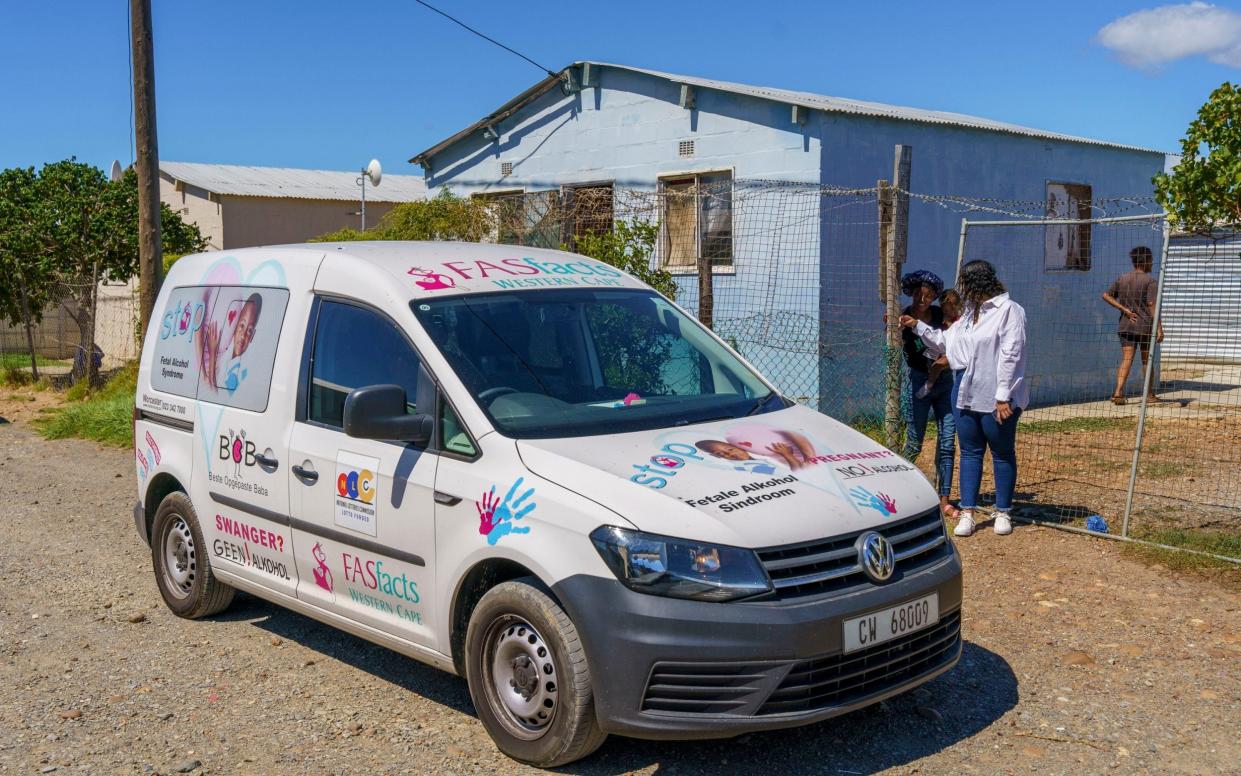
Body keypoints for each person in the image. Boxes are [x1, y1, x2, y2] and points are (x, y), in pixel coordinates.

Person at [901, 260, 1027, 537]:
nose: (963, 290)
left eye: (965, 284)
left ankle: (1003, 511)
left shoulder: (1009, 311)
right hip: (965, 393)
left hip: (997, 397)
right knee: (970, 453)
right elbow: (946, 342)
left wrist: (1003, 396)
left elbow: (1011, 354)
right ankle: (968, 512)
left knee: (1002, 452)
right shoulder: (970, 315)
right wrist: (917, 326)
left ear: (977, 283)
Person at [899, 270, 959, 519]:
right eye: (918, 295)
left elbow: (952, 341)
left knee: (947, 443)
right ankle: (901, 492)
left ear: (934, 296)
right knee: (914, 441)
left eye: (928, 296)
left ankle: (944, 499)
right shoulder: (902, 316)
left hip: (944, 383)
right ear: (912, 294)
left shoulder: (938, 316)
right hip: (918, 382)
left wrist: (942, 364)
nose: (922, 300)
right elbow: (894, 341)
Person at [1102, 246, 1163, 405]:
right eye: (1151, 261)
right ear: (1146, 261)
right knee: (1147, 361)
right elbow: (1152, 305)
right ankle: (1149, 394)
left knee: (1127, 359)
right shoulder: (1150, 281)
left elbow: (1106, 295)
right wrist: (1159, 328)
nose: (1152, 264)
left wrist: (1124, 310)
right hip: (1144, 327)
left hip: (1126, 326)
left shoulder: (1122, 278)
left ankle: (1118, 392)